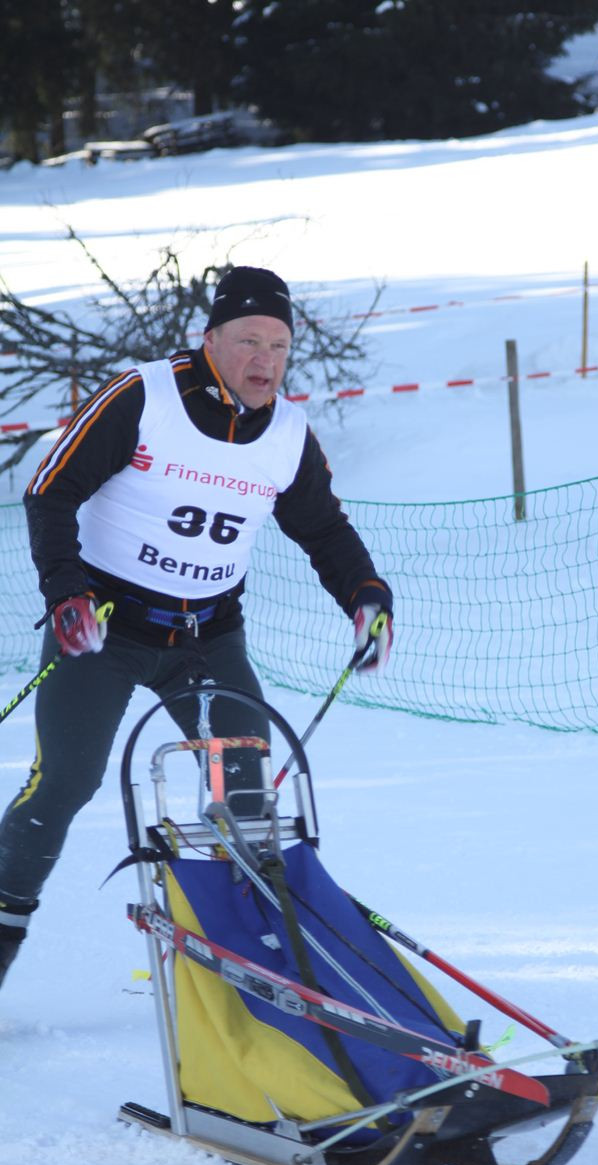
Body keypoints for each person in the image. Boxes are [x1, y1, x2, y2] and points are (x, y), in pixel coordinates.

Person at [0, 265, 393, 989]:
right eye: (248, 340)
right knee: (65, 783)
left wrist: (368, 596)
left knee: (246, 795)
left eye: (279, 345)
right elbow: (49, 493)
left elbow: (323, 529)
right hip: (106, 628)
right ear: (209, 338)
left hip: (208, 640)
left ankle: (253, 965)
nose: (265, 360)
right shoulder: (144, 397)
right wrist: (67, 592)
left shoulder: (289, 434)